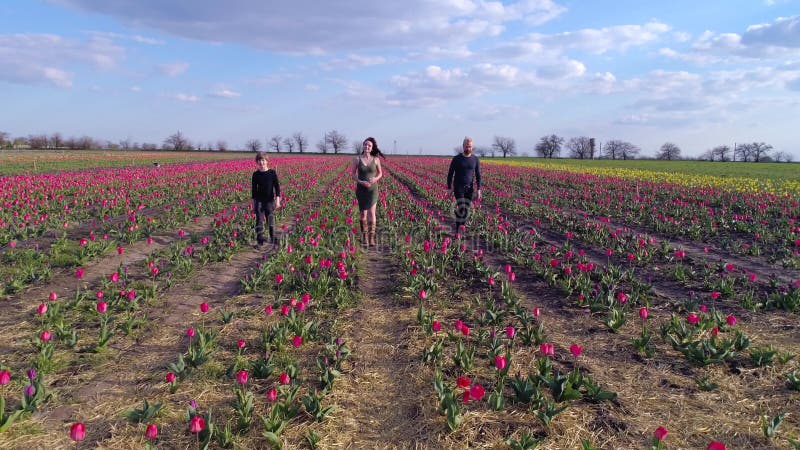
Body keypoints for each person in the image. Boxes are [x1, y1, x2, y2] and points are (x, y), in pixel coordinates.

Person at [353, 137, 385, 246]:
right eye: (365, 145)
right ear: (363, 146)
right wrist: (361, 182)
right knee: (363, 214)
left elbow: (380, 173)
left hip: (372, 190)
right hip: (361, 189)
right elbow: (353, 174)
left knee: (372, 214)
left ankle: (371, 238)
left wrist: (375, 179)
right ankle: (365, 237)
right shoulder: (357, 159)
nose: (367, 147)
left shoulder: (376, 159)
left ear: (372, 148)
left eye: (369, 145)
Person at [446, 136, 481, 235]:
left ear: (472, 147)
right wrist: (449, 187)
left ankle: (461, 226)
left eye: (469, 146)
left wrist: (479, 189)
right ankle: (458, 230)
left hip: (469, 189)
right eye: (466, 146)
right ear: (463, 146)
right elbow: (450, 173)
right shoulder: (457, 159)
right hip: (458, 188)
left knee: (465, 208)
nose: (468, 148)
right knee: (462, 207)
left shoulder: (475, 159)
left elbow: (478, 175)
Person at [252, 152, 281, 245]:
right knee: (259, 221)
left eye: (263, 160)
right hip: (259, 201)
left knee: (270, 219)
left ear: (267, 161)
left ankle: (273, 237)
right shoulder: (255, 174)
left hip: (269, 201)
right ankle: (260, 239)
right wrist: (254, 204)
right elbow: (254, 191)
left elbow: (277, 188)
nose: (261, 162)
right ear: (257, 162)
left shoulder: (272, 173)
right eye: (259, 160)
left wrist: (277, 201)